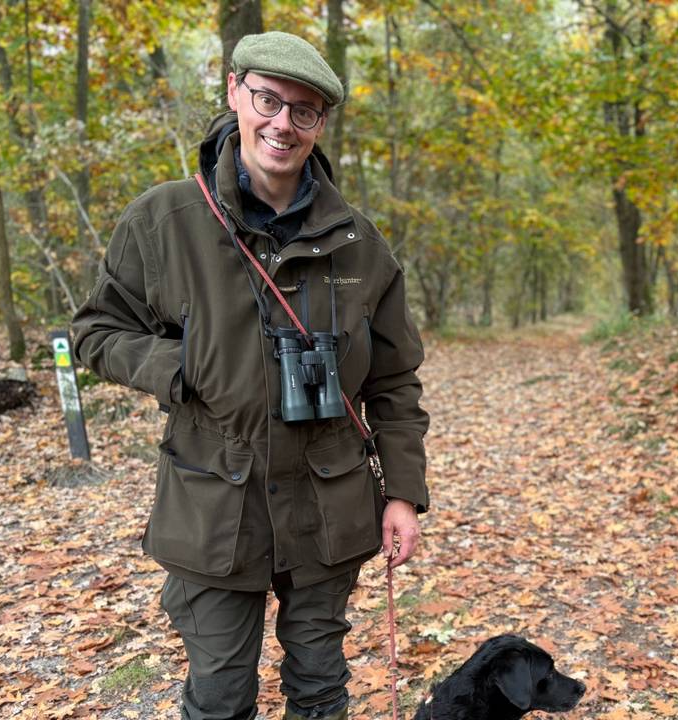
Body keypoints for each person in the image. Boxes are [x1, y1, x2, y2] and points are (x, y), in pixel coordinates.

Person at [71, 31, 428, 720]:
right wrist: (179, 367)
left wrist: (404, 494)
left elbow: (395, 382)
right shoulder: (163, 221)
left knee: (321, 690)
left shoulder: (360, 243)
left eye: (304, 111)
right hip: (213, 503)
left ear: (320, 124)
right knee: (220, 696)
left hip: (329, 502)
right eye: (268, 100)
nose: (282, 124)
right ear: (235, 91)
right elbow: (96, 331)